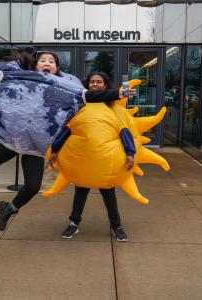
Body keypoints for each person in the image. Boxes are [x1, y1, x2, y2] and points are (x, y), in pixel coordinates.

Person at [0, 46, 134, 233]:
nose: (47, 63)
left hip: (34, 145)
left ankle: (9, 209)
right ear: (36, 65)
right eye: (43, 60)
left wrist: (117, 93)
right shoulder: (25, 76)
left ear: (57, 68)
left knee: (33, 186)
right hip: (13, 137)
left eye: (51, 61)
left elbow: (90, 95)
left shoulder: (65, 87)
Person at [49, 71, 136, 242]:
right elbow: (68, 129)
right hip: (83, 161)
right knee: (80, 193)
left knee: (109, 194)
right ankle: (73, 223)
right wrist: (54, 150)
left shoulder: (113, 108)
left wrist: (130, 152)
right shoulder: (81, 106)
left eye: (99, 82)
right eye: (92, 82)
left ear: (105, 86)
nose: (95, 85)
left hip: (105, 163)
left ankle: (116, 225)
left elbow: (124, 130)